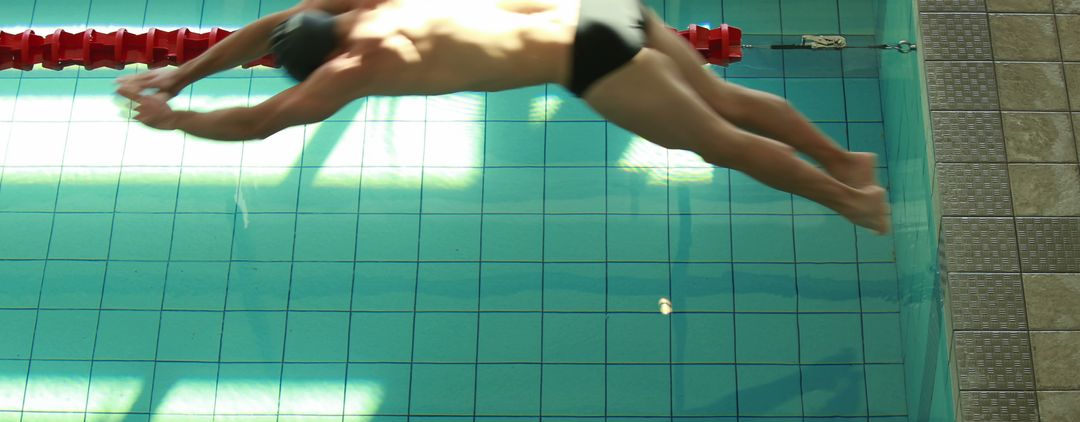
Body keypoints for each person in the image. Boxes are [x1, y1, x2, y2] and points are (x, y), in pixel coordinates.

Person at [116, 0, 890, 234]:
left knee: (720, 144)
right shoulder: (368, 10)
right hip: (604, 10)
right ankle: (847, 161)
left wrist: (176, 121)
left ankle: (851, 199)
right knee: (725, 99)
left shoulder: (353, 69)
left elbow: (263, 124)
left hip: (587, 60)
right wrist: (179, 74)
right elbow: (271, 27)